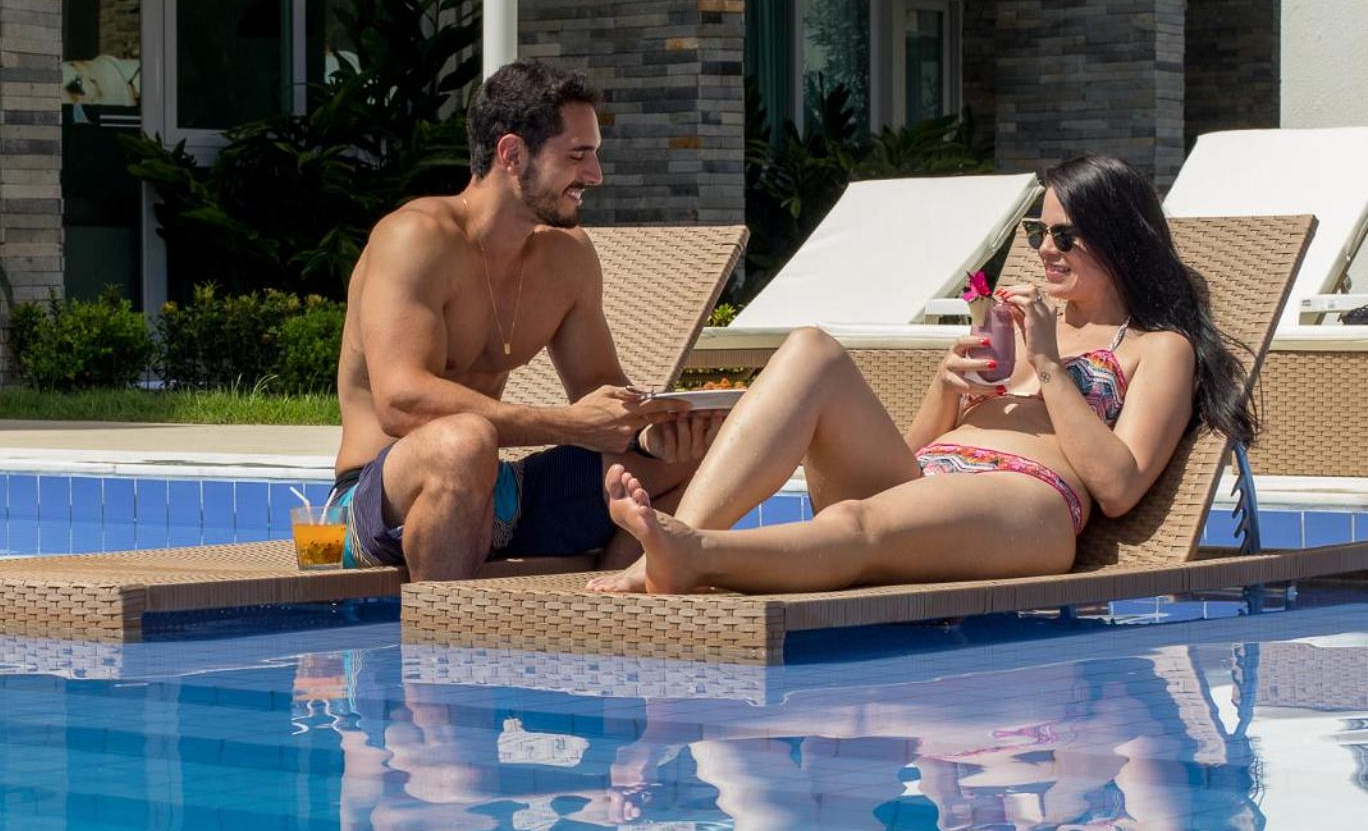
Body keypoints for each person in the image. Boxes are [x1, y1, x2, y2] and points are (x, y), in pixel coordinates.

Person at [593, 153, 1255, 594]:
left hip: (1027, 501)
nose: (1045, 251)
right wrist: (946, 389)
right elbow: (911, 462)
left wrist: (1050, 366)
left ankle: (697, 552)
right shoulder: (1024, 317)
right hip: (928, 484)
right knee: (811, 349)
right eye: (1038, 233)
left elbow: (1119, 487)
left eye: (1065, 236)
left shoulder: (1156, 347)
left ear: (1121, 239)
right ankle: (666, 555)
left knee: (858, 522)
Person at [332, 60, 725, 581]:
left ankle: (612, 609)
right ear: (512, 154)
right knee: (464, 442)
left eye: (595, 155)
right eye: (578, 156)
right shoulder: (416, 240)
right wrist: (568, 424)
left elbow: (602, 395)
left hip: (500, 494)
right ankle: (447, 635)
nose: (595, 175)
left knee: (707, 455)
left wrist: (662, 430)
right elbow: (401, 402)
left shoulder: (567, 256)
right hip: (376, 504)